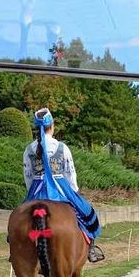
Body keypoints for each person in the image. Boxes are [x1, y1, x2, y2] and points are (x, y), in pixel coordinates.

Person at [23, 108, 104, 263]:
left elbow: (28, 176)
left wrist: (31, 194)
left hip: (36, 190)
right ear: (52, 126)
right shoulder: (62, 148)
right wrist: (74, 193)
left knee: (18, 218)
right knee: (88, 212)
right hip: (60, 189)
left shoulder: (28, 150)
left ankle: (14, 246)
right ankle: (91, 249)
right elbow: (70, 174)